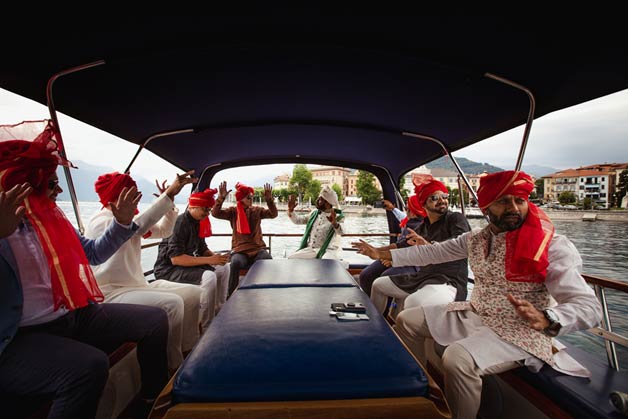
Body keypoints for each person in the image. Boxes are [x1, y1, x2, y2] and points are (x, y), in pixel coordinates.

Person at [353, 170, 603, 419]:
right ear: (486, 206)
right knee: (407, 321)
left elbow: (588, 306)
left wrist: (548, 317)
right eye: (503, 201)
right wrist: (382, 254)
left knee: (457, 358)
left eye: (519, 200)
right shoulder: (477, 238)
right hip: (477, 313)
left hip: (520, 330)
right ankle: (420, 392)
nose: (513, 208)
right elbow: (432, 253)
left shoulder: (552, 246)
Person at [0, 120, 169, 419]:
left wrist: (120, 224)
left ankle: (152, 400)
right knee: (88, 367)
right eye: (52, 182)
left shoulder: (53, 220)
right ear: (27, 182)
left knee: (155, 320)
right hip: (18, 338)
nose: (59, 189)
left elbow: (93, 254)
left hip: (74, 315)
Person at [85, 170, 202, 370]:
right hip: (112, 292)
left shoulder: (129, 220)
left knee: (194, 293)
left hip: (136, 286)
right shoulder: (102, 221)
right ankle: (174, 367)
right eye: (132, 194)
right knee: (172, 304)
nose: (137, 198)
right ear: (118, 196)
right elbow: (135, 227)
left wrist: (169, 206)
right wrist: (169, 194)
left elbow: (164, 231)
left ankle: (189, 350)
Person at [367, 177, 471, 314]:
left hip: (449, 281)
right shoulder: (423, 227)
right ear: (423, 204)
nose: (442, 200)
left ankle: (400, 328)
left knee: (413, 302)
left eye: (444, 196)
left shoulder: (456, 219)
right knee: (378, 285)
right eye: (434, 197)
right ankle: (377, 324)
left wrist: (427, 245)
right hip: (423, 276)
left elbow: (460, 247)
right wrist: (374, 250)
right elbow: (401, 245)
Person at [153, 188, 230, 332]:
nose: (207, 213)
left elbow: (202, 248)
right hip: (169, 270)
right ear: (193, 206)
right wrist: (210, 260)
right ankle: (207, 325)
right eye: (205, 209)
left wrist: (217, 258)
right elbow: (176, 259)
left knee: (224, 267)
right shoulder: (180, 223)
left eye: (209, 210)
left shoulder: (198, 222)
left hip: (184, 266)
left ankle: (220, 309)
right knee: (209, 277)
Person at [212, 181, 277, 296]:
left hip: (257, 249)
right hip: (240, 250)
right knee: (235, 262)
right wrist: (220, 198)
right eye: (248, 197)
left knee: (266, 258)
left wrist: (269, 200)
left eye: (252, 197)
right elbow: (215, 213)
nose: (251, 199)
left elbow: (273, 214)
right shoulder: (233, 212)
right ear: (241, 199)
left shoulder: (257, 210)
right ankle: (231, 294)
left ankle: (263, 291)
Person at [358, 196, 424, 297]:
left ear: (413, 211)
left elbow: (402, 247)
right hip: (396, 256)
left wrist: (386, 256)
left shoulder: (417, 226)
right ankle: (372, 305)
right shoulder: (408, 221)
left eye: (407, 208)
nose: (406, 211)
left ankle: (385, 310)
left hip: (413, 264)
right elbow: (402, 219)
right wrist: (392, 209)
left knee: (385, 279)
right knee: (366, 275)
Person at [286, 185, 344, 261]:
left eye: (321, 200)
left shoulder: (338, 216)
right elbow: (298, 220)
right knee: (291, 258)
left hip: (328, 251)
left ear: (328, 203)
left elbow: (342, 232)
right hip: (311, 250)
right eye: (319, 199)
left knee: (326, 262)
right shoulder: (314, 213)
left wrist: (334, 223)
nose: (318, 201)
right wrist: (291, 210)